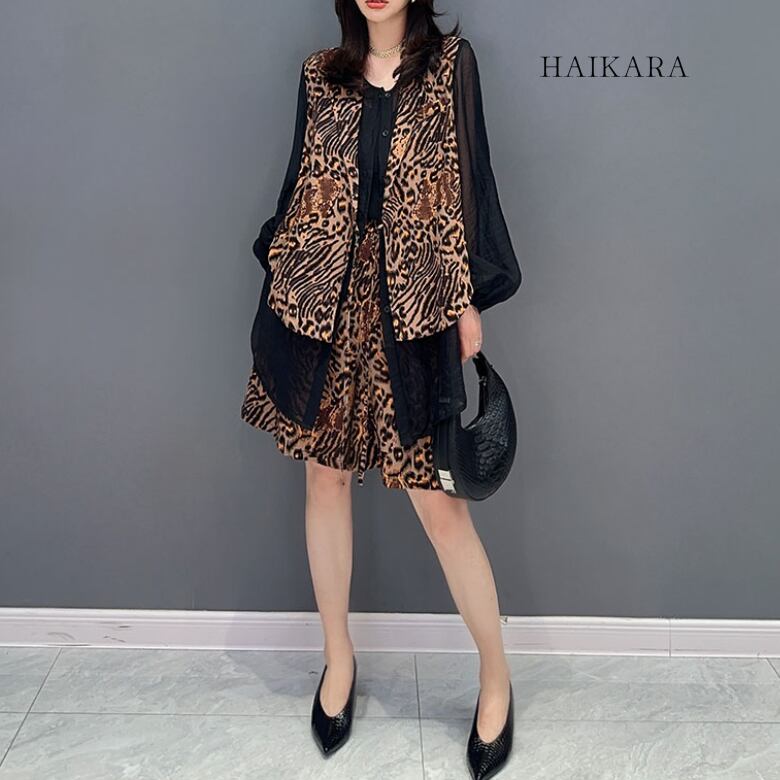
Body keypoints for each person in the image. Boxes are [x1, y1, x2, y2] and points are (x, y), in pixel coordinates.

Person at [240, 1, 520, 777]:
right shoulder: (319, 77)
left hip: (414, 305)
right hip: (324, 301)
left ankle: (497, 677)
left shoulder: (450, 66)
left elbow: (469, 188)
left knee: (441, 506)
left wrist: (467, 300)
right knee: (324, 480)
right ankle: (338, 659)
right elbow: (300, 186)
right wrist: (284, 264)